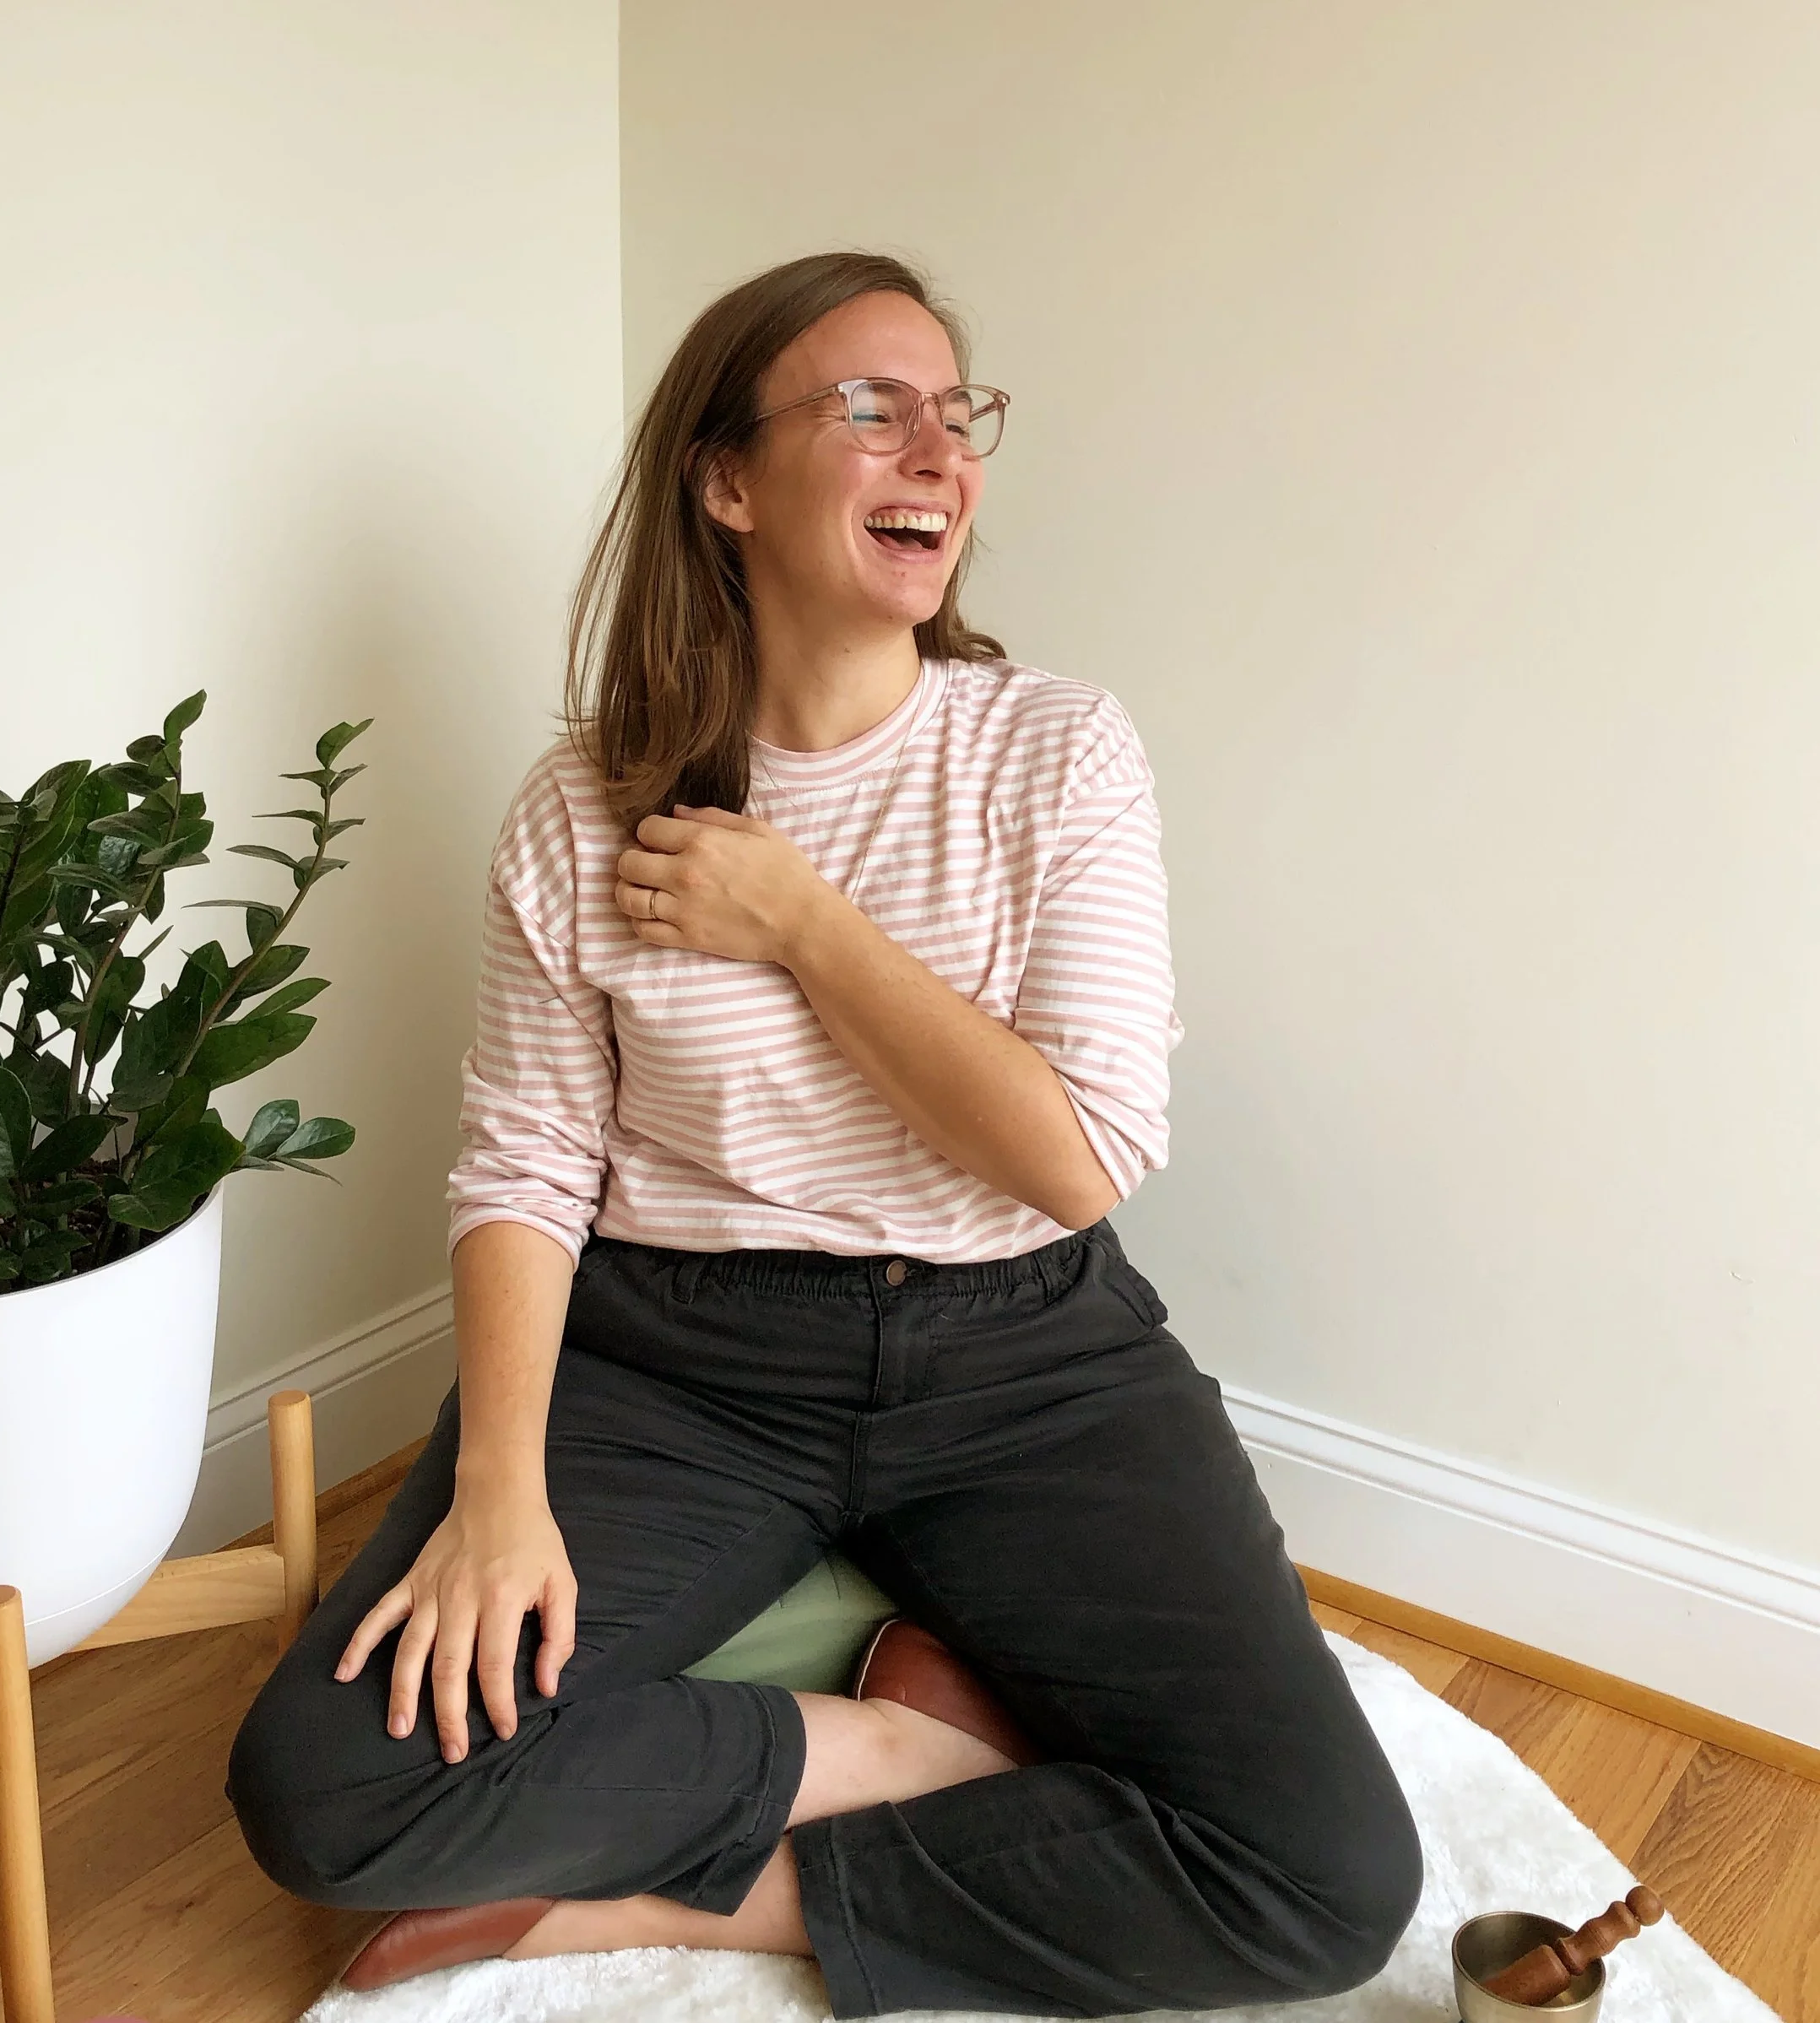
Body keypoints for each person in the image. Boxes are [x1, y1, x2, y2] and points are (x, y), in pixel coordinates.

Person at [226, 250, 1422, 2016]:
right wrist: (495, 1485)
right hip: (674, 1362)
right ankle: (866, 1751)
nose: (934, 448)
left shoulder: (1053, 754)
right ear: (724, 481)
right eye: (869, 408)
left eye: (957, 413)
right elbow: (527, 1163)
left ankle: (709, 1902)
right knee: (326, 1783)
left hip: (1024, 1353)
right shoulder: (582, 802)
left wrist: (800, 924)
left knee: (1323, 1881)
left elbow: (1076, 1148)